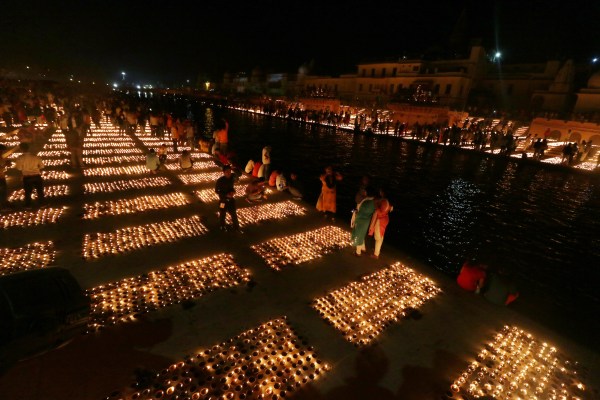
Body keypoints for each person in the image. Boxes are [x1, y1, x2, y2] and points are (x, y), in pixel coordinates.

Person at [14, 143, 45, 208]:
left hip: (27, 177)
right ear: (28, 148)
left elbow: (19, 168)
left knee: (28, 192)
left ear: (21, 149)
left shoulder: (20, 158)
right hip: (36, 176)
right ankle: (42, 204)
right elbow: (42, 166)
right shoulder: (36, 157)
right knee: (39, 191)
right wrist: (36, 168)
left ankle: (28, 205)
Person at [367, 188, 393, 259]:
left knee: (378, 237)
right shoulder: (388, 202)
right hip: (384, 219)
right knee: (380, 236)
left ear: (382, 193)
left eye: (380, 192)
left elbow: (380, 211)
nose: (379, 193)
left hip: (380, 220)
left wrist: (376, 206)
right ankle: (377, 251)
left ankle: (376, 254)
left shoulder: (384, 201)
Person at [351, 187, 375, 256]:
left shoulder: (366, 201)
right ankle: (363, 248)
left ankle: (358, 252)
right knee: (362, 234)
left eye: (365, 191)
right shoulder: (373, 201)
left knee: (359, 234)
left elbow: (360, 211)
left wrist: (355, 212)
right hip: (366, 220)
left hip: (360, 219)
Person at [215, 165, 240, 232]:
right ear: (223, 172)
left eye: (229, 171)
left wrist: (233, 192)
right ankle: (222, 226)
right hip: (222, 201)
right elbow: (217, 191)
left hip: (231, 200)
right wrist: (226, 195)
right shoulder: (220, 181)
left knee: (233, 213)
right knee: (222, 213)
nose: (229, 173)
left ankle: (236, 227)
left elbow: (232, 187)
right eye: (227, 171)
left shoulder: (232, 178)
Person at [1, 144, 18, 211]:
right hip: (0, 178)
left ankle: (4, 204)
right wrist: (5, 165)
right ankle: (3, 206)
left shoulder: (1, 157)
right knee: (2, 192)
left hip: (2, 176)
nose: (2, 152)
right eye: (2, 151)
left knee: (3, 192)